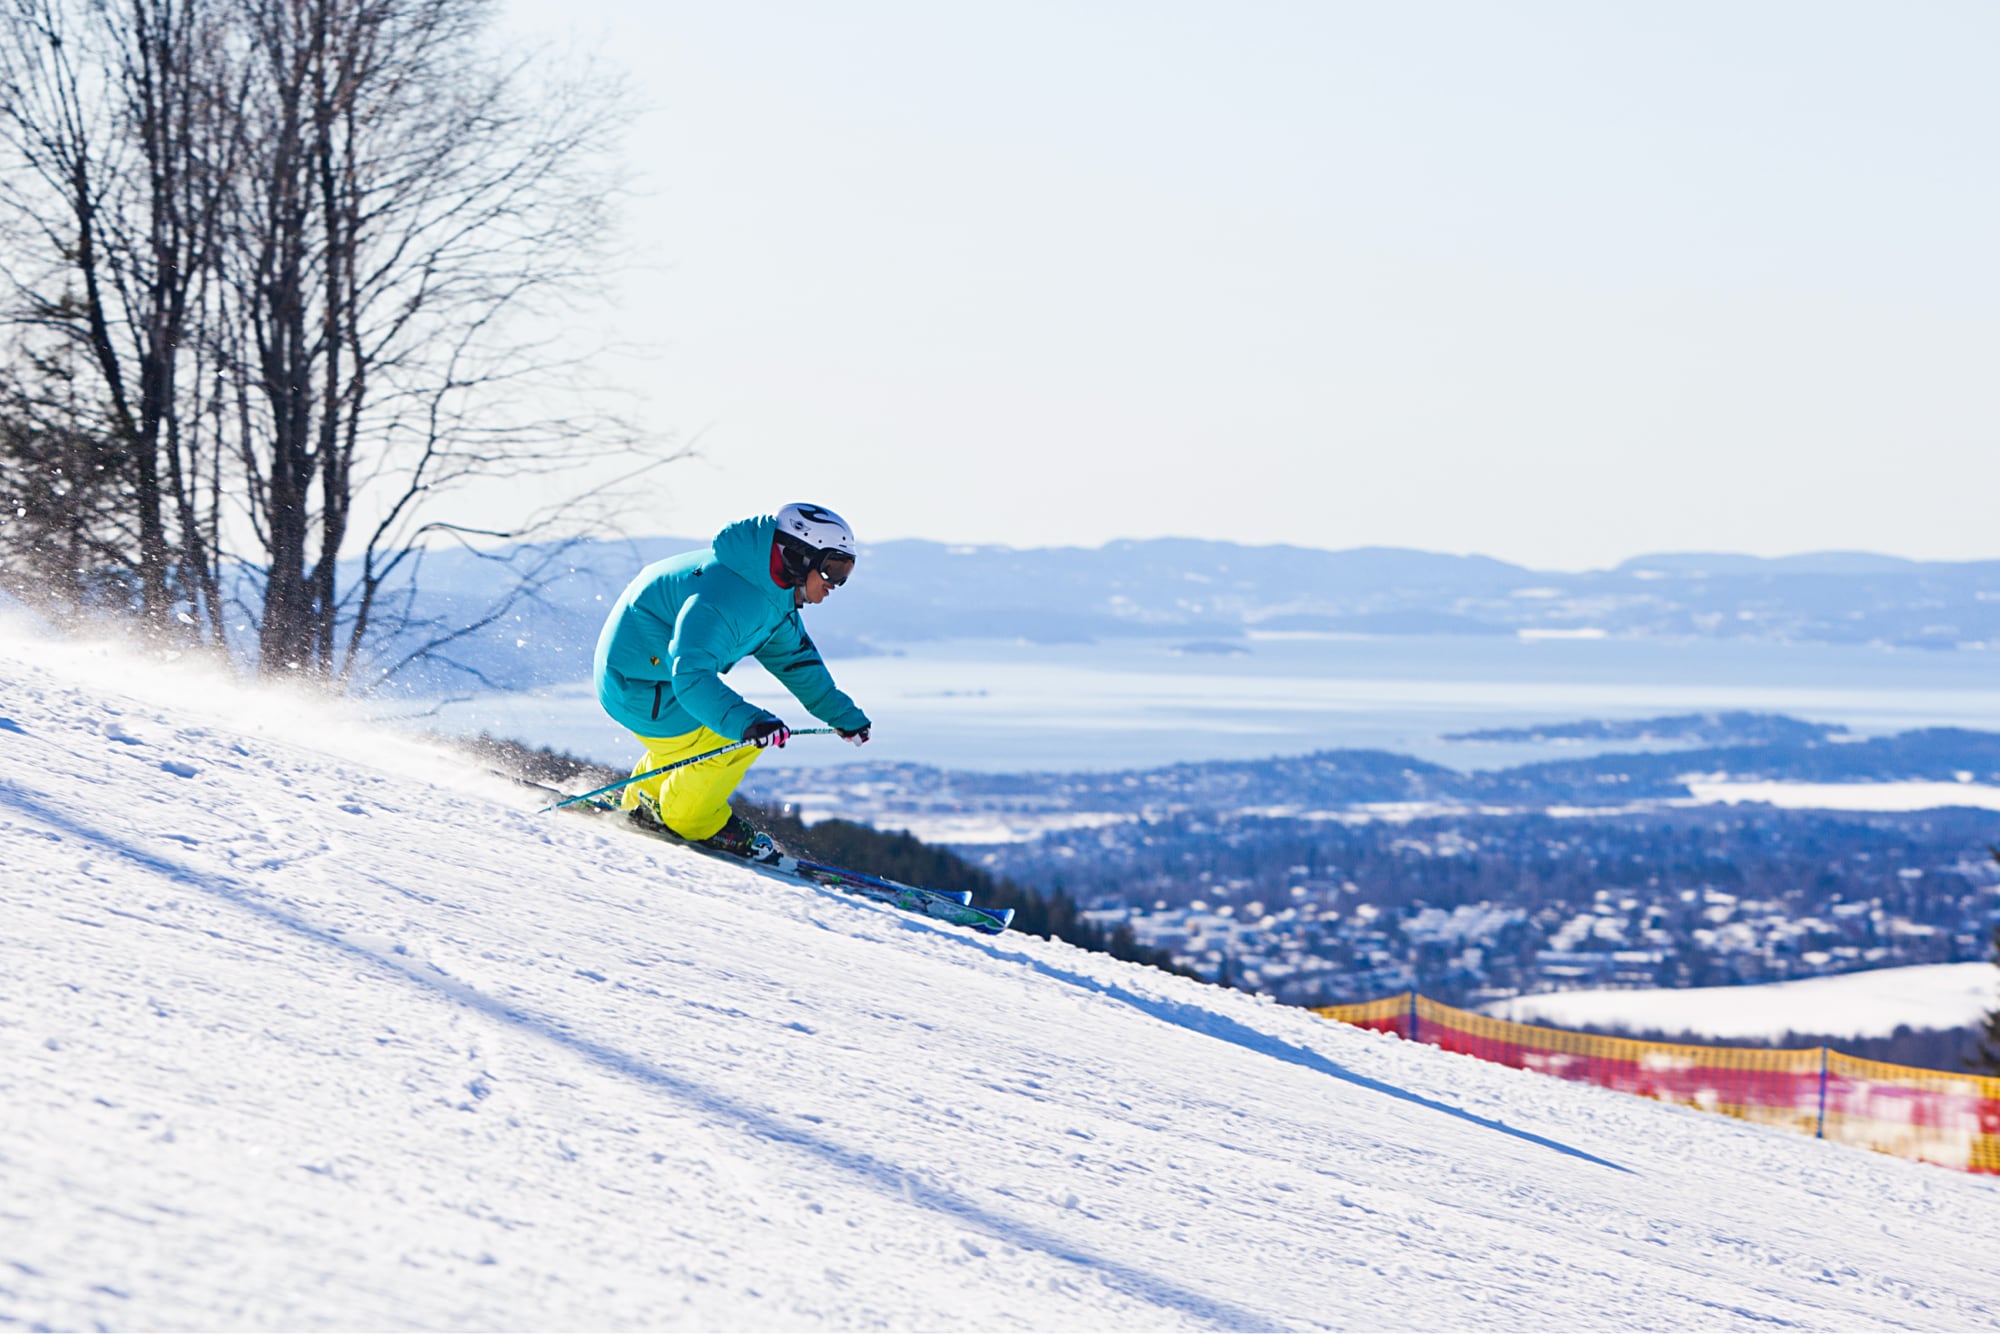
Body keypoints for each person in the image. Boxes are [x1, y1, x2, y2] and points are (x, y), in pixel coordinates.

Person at [592, 502, 872, 859]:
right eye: (833, 569)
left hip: (648, 679)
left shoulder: (771, 593)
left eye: (845, 571)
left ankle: (643, 800)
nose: (837, 584)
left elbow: (796, 663)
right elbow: (691, 677)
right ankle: (690, 821)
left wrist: (843, 716)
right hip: (637, 685)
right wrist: (749, 724)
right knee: (730, 738)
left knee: (699, 737)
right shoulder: (727, 596)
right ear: (799, 556)